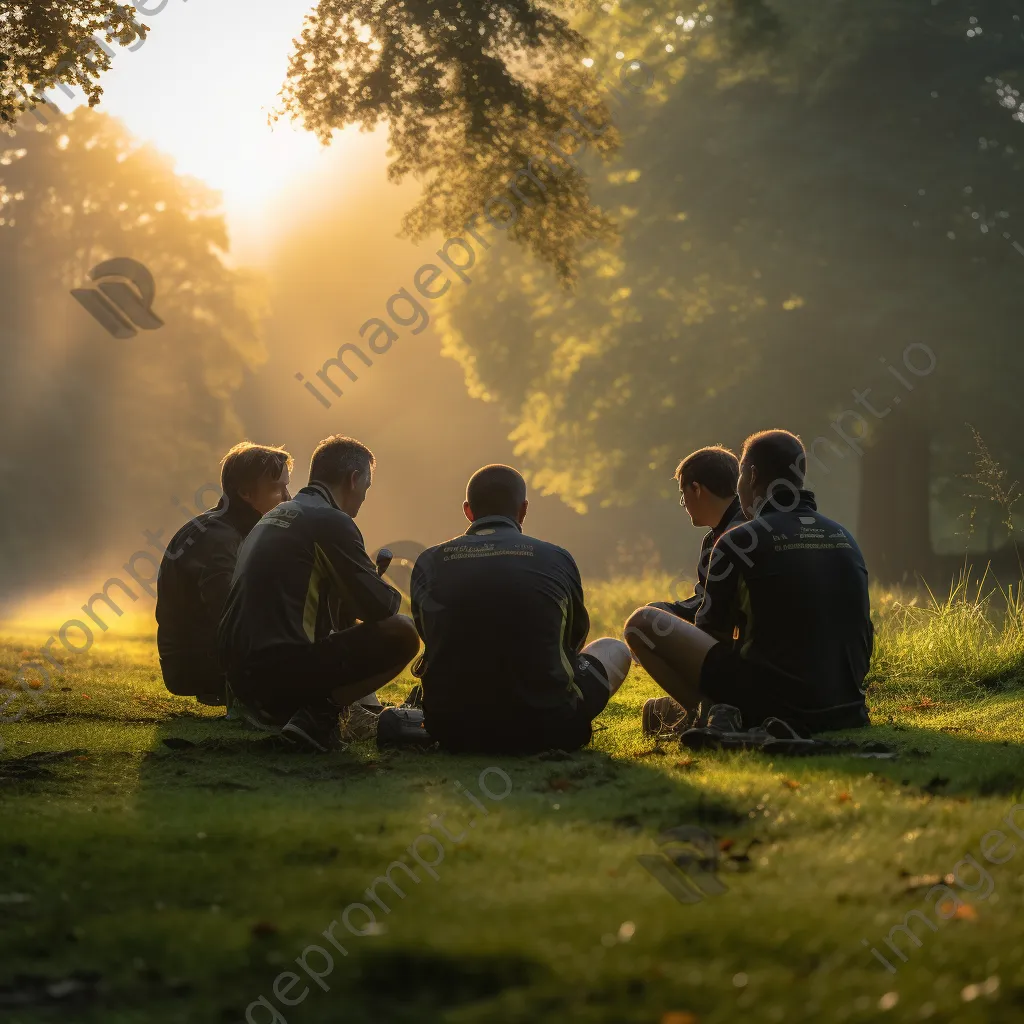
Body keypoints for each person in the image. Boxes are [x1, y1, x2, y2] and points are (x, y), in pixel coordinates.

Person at [625, 429, 872, 735]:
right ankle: (695, 713)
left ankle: (712, 715)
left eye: (740, 475)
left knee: (642, 623)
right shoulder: (843, 537)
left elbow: (710, 636)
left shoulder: (739, 541)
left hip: (778, 708)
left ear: (752, 475)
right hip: (847, 707)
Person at [410, 464, 632, 755]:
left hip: (453, 731)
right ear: (523, 509)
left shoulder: (429, 561)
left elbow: (430, 637)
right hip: (550, 729)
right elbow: (573, 641)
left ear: (468, 511)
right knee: (614, 648)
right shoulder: (556, 557)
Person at [218, 435, 420, 751]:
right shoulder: (330, 521)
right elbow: (380, 608)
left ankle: (307, 710)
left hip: (238, 680)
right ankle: (318, 715)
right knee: (403, 632)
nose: (364, 497)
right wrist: (381, 581)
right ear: (354, 479)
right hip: (275, 680)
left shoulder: (276, 515)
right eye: (366, 487)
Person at [155, 442, 292, 707]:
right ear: (245, 493)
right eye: (277, 488)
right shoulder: (218, 537)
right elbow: (230, 614)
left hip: (202, 660)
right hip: (197, 666)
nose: (287, 497)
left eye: (286, 486)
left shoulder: (229, 528)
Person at [648, 445, 746, 623]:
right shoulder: (714, 537)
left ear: (696, 489)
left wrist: (665, 612)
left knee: (645, 620)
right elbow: (705, 599)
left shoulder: (739, 534)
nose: (683, 503)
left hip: (735, 639)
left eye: (682, 493)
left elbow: (715, 610)